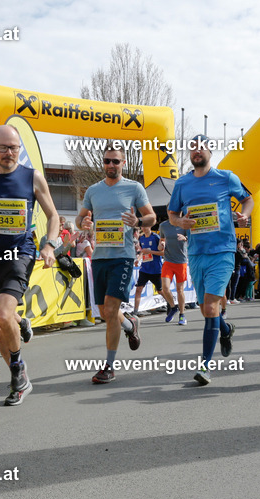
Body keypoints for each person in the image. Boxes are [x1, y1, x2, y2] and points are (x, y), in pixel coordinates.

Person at [0, 125, 60, 400]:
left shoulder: (32, 177)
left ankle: (17, 369)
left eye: (14, 148)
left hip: (21, 252)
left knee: (5, 315)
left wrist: (50, 245)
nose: (8, 153)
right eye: (3, 147)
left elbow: (53, 216)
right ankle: (20, 379)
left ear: (20, 149)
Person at [167, 135, 254, 385]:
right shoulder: (182, 183)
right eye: (192, 148)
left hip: (223, 251)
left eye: (200, 147)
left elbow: (248, 199)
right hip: (195, 252)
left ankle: (205, 366)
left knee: (212, 307)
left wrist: (244, 216)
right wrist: (179, 222)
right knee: (207, 309)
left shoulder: (226, 177)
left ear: (210, 151)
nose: (196, 151)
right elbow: (172, 214)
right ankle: (226, 330)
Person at [76, 142, 152, 383]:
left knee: (110, 309)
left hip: (124, 256)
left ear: (123, 163)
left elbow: (150, 216)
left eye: (115, 161)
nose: (111, 165)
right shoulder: (93, 190)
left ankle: (108, 366)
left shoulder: (134, 187)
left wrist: (138, 221)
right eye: (107, 161)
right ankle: (129, 324)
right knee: (106, 312)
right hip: (99, 257)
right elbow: (81, 218)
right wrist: (83, 224)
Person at [159, 219, 189, 325]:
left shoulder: (184, 224)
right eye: (170, 211)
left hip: (181, 261)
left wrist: (185, 238)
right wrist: (161, 245)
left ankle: (182, 315)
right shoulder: (163, 225)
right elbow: (161, 241)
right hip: (168, 260)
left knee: (179, 289)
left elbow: (193, 240)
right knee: (165, 288)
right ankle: (173, 307)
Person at [133, 219, 163, 318]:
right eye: (142, 227)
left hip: (155, 268)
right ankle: (135, 311)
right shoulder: (141, 238)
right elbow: (142, 251)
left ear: (150, 226)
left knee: (160, 291)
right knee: (138, 289)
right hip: (144, 268)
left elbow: (163, 253)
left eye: (146, 226)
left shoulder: (156, 237)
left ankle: (171, 304)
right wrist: (138, 259)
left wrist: (150, 252)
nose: (144, 228)